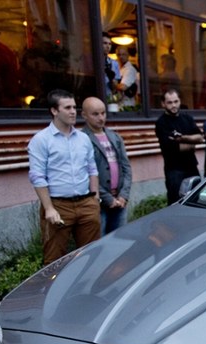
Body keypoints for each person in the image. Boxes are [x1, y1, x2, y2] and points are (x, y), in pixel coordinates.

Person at [28, 89, 100, 265]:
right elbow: (37, 177)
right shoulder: (41, 140)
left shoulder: (83, 138)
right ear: (54, 111)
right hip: (58, 206)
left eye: (74, 107)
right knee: (54, 260)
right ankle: (52, 292)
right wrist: (49, 208)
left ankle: (87, 289)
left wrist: (95, 197)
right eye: (67, 107)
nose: (73, 111)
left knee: (92, 255)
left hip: (86, 204)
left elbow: (92, 168)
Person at [81, 97, 132, 234]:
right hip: (98, 202)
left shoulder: (114, 137)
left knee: (120, 239)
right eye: (95, 114)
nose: (101, 118)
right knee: (99, 242)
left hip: (120, 200)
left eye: (103, 113)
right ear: (84, 115)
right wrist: (107, 198)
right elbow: (85, 173)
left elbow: (126, 167)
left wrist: (123, 195)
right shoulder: (82, 139)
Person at [154, 89, 203, 204]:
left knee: (197, 201)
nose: (174, 105)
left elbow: (200, 138)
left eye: (176, 101)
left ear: (180, 101)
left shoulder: (187, 118)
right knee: (177, 203)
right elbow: (172, 148)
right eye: (170, 103)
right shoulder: (161, 123)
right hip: (174, 170)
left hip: (191, 167)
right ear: (163, 104)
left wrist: (181, 139)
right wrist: (191, 143)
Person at [101, 33, 120, 100]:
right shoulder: (92, 60)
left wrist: (111, 78)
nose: (108, 46)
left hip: (108, 99)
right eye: (105, 43)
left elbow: (115, 88)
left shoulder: (114, 63)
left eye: (110, 44)